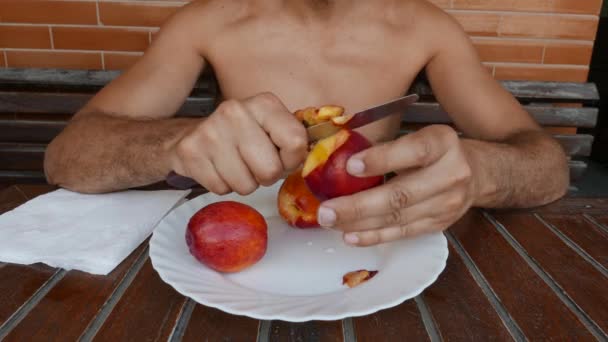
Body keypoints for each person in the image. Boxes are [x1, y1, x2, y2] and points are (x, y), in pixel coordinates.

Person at [44, 0, 569, 246]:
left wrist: (480, 170)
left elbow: (547, 167)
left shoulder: (428, 28)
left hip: (375, 249)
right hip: (233, 251)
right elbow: (66, 158)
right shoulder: (204, 21)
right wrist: (175, 143)